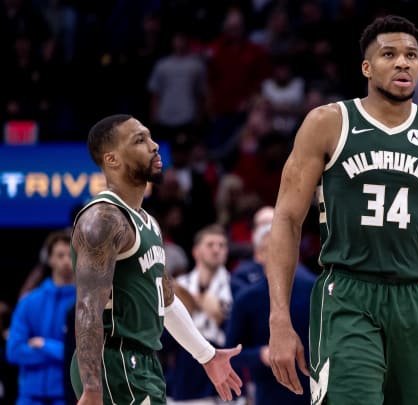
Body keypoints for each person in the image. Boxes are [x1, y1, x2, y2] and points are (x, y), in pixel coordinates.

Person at [265, 15, 418, 405]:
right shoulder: (328, 123)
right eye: (389, 54)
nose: (403, 62)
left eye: (412, 55)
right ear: (367, 68)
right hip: (349, 293)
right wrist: (280, 318)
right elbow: (287, 220)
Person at [69, 114, 242, 404]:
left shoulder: (147, 221)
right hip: (114, 361)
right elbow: (87, 307)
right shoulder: (103, 219)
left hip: (145, 361)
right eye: (140, 140)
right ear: (112, 160)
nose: (154, 146)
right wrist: (92, 388)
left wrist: (206, 354)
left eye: (150, 137)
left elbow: (166, 299)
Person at [225, 222, 315, 405]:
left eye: (284, 248)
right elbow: (231, 353)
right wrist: (261, 354)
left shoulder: (313, 289)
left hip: (314, 391)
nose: (278, 254)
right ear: (258, 255)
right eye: (270, 249)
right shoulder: (246, 299)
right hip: (268, 393)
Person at [6, 230, 75, 405]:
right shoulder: (29, 302)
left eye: (70, 254)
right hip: (29, 397)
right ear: (50, 259)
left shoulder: (84, 303)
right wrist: (62, 351)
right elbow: (14, 351)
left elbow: (83, 355)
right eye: (60, 255)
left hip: (66, 396)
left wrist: (44, 344)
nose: (66, 261)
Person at [166, 224, 234, 404]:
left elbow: (243, 337)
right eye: (210, 244)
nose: (216, 250)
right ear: (196, 251)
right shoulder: (177, 289)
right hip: (185, 381)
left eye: (222, 245)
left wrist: (222, 317)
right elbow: (162, 341)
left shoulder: (237, 286)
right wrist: (183, 312)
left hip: (227, 384)